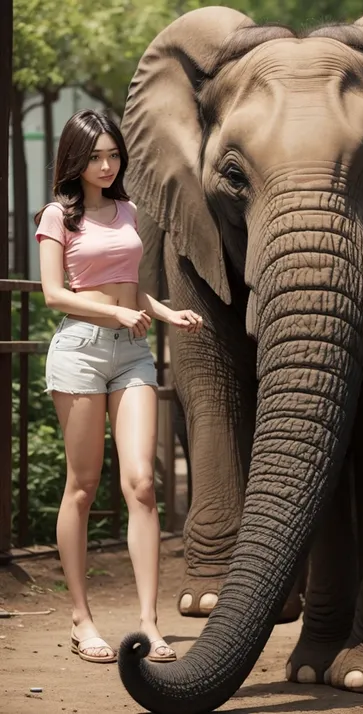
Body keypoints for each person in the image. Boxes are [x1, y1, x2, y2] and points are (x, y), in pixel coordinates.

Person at [35, 109, 203, 664]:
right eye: (96, 156)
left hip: (132, 355)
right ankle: (82, 619)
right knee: (82, 487)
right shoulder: (58, 217)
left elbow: (131, 290)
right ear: (75, 160)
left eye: (114, 155)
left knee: (142, 485)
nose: (107, 165)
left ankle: (151, 624)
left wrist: (166, 313)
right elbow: (55, 296)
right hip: (80, 352)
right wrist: (115, 318)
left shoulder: (129, 209)